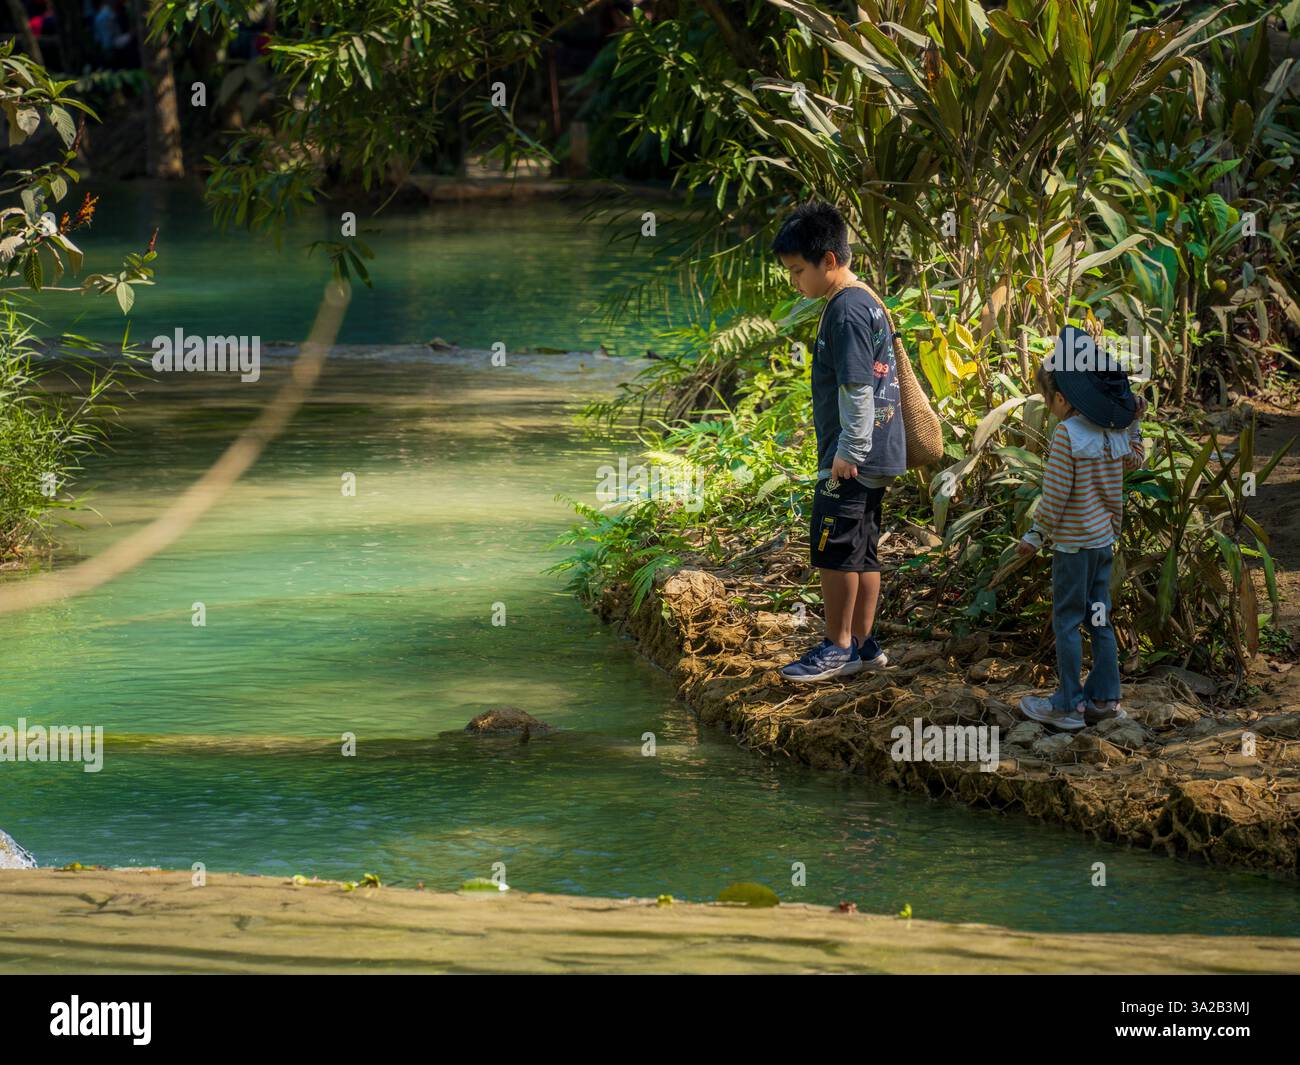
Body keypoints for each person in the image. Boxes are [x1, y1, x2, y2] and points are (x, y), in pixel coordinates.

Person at [771, 202, 907, 683]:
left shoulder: (846, 310)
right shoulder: (863, 299)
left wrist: (848, 451)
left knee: (833, 550)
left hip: (853, 456)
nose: (794, 282)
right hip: (881, 450)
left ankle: (838, 646)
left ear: (829, 260)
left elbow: (857, 388)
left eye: (797, 271)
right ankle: (864, 645)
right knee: (862, 550)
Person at [1017, 325, 1147, 729]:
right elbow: (1137, 460)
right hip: (1103, 543)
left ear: (1060, 398)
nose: (1047, 406)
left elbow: (1055, 496)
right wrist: (1135, 421)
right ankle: (1106, 700)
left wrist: (1035, 535)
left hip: (1073, 547)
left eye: (1046, 399)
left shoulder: (1067, 436)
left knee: (1068, 621)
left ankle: (1068, 704)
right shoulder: (1114, 432)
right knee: (1098, 618)